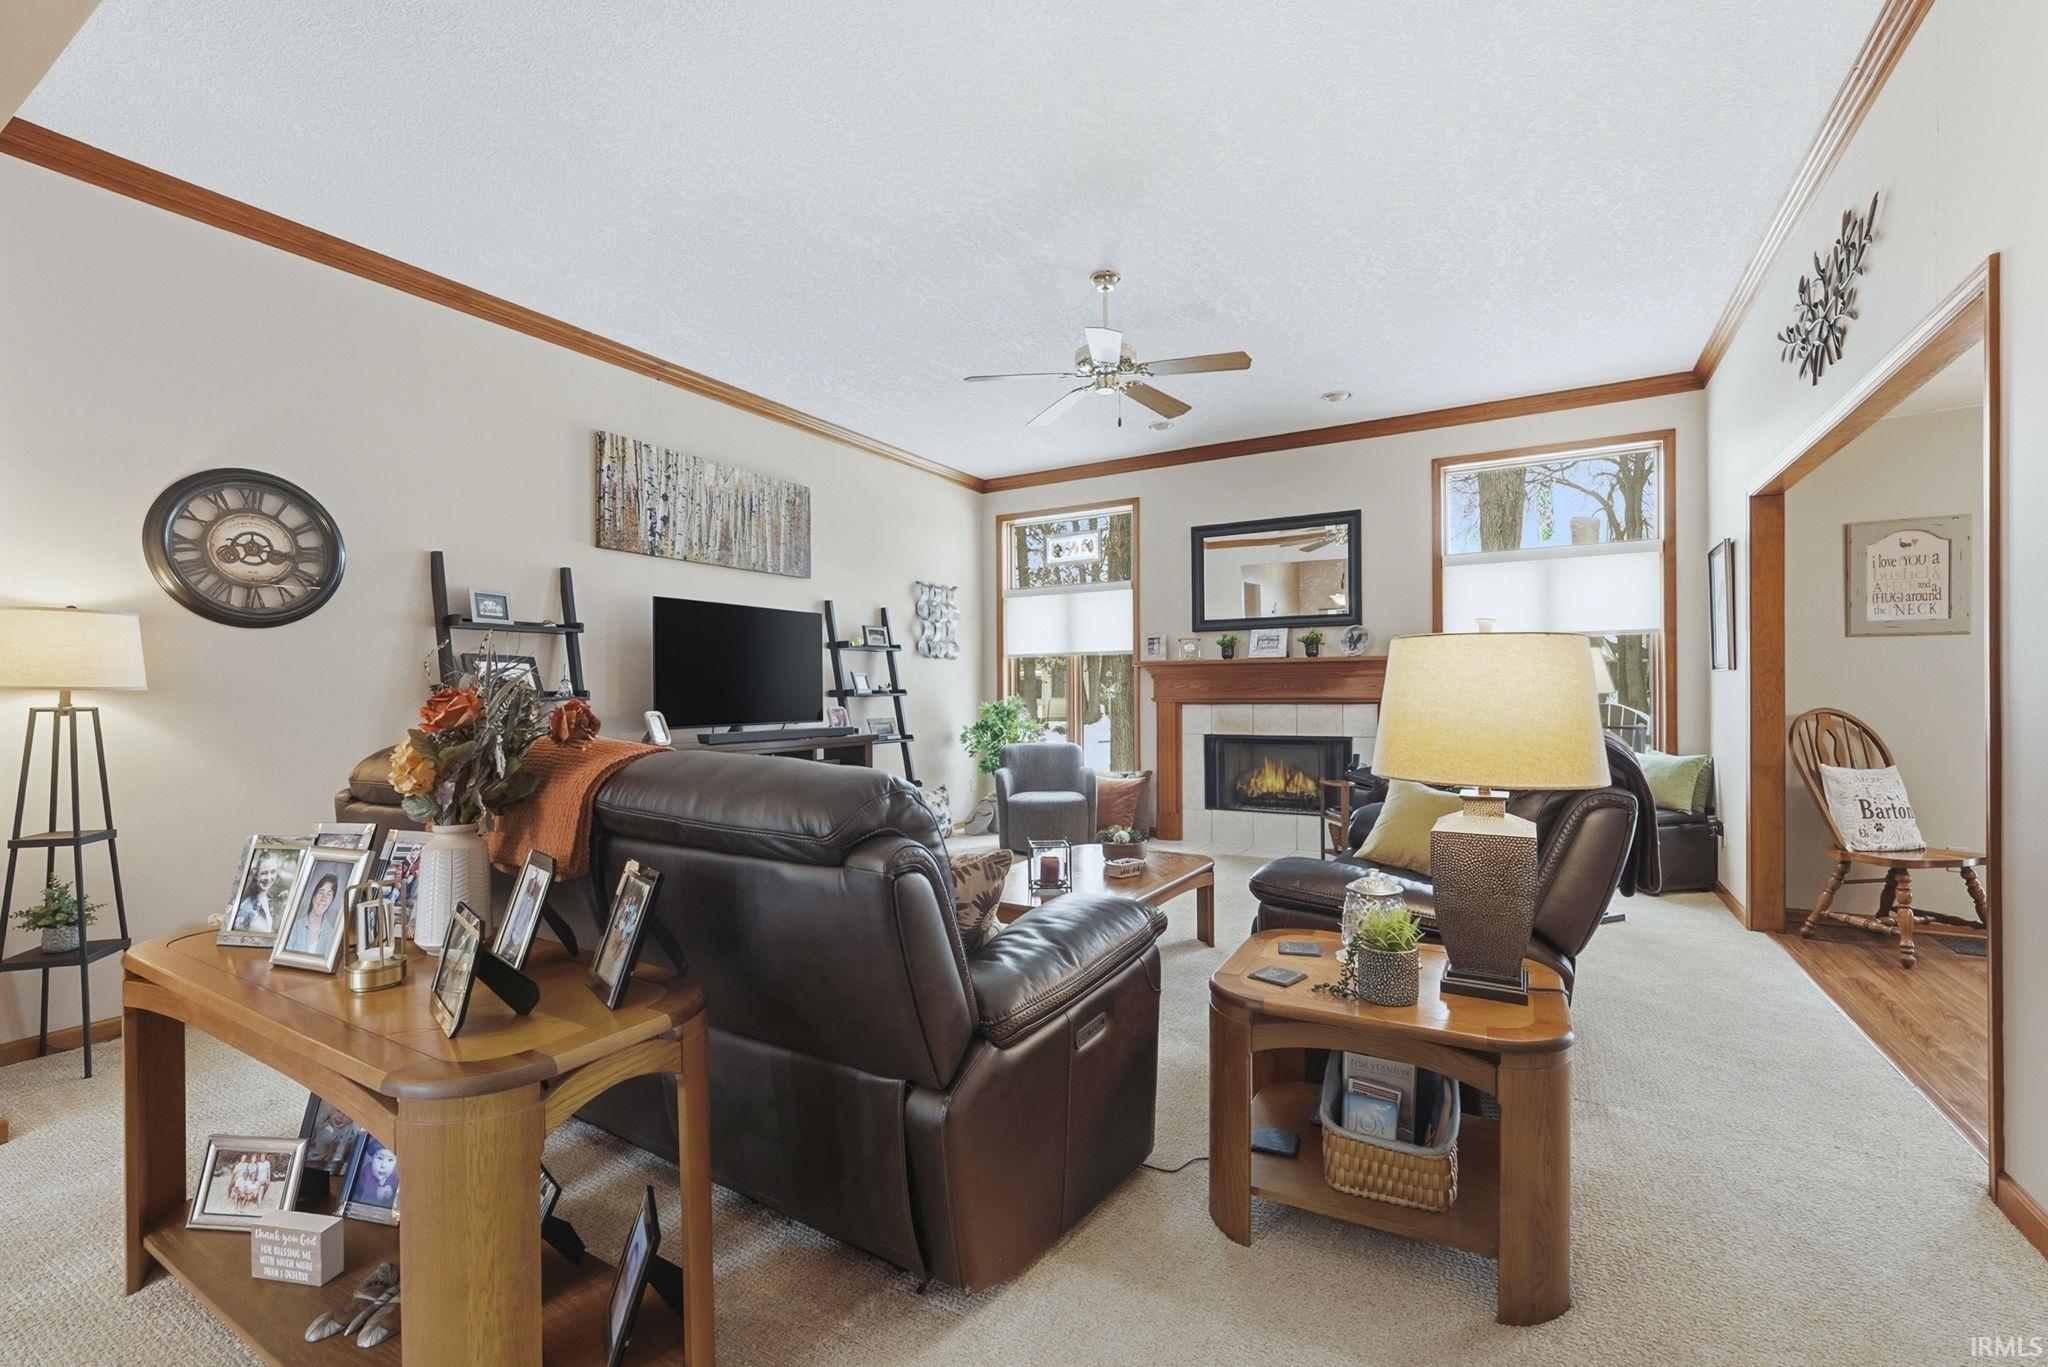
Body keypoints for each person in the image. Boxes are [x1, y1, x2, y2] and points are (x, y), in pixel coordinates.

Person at [287, 873, 341, 956]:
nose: (324, 898)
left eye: (329, 894)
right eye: (321, 892)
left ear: (331, 901)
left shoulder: (331, 933)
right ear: (313, 896)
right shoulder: (295, 926)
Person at [235, 853, 283, 933]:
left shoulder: (267, 899)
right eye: (264, 873)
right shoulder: (246, 907)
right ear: (255, 874)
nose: (269, 878)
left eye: (273, 872)